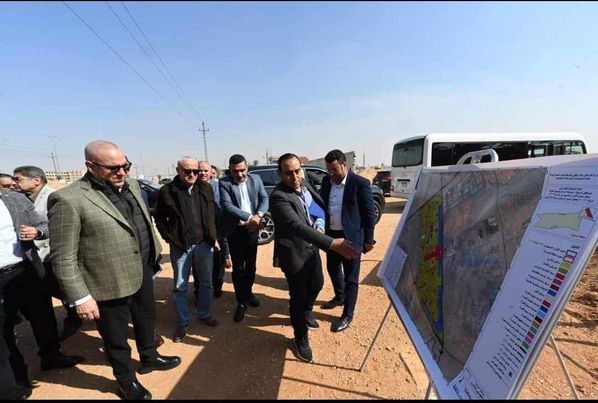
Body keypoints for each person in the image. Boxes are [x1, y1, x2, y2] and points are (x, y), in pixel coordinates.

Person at [48, 140, 181, 400]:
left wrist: (154, 254)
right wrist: (80, 297)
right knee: (116, 337)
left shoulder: (132, 185)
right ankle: (125, 381)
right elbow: (62, 257)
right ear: (90, 166)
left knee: (146, 319)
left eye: (126, 166)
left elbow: (141, 221)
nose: (122, 172)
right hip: (106, 282)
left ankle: (149, 357)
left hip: (142, 270)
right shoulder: (68, 199)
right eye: (113, 168)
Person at [269, 153, 358, 363]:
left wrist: (320, 223)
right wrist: (332, 243)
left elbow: (317, 208)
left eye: (297, 171)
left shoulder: (304, 184)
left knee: (317, 283)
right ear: (280, 174)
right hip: (295, 253)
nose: (294, 177)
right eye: (288, 173)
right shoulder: (278, 196)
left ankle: (307, 312)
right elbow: (297, 226)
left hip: (312, 249)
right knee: (298, 297)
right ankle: (300, 338)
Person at [154, 157, 220, 345]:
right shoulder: (167, 191)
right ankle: (183, 322)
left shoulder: (205, 188)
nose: (192, 174)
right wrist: (169, 237)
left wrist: (213, 237)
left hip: (203, 245)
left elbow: (211, 215)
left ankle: (204, 314)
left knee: (206, 283)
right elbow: (159, 218)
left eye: (195, 171)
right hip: (180, 246)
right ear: (178, 171)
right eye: (187, 171)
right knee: (180, 286)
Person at [13, 165, 82, 341]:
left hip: (53, 253)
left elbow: (62, 226)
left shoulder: (54, 197)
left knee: (63, 289)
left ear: (36, 180)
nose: (14, 183)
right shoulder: (25, 199)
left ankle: (74, 318)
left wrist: (38, 232)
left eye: (18, 179)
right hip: (39, 256)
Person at [320, 149, 376, 332]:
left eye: (334, 170)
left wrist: (369, 240)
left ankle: (347, 314)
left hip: (351, 238)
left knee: (351, 277)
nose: (331, 174)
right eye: (329, 170)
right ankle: (340, 296)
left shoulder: (360, 183)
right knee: (332, 268)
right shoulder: (326, 182)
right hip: (332, 237)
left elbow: (369, 214)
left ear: (344, 165)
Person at [219, 154, 268, 323]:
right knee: (239, 268)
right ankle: (241, 302)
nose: (239, 174)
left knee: (251, 266)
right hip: (236, 231)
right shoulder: (224, 182)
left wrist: (258, 215)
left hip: (252, 230)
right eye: (235, 171)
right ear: (230, 170)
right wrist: (250, 217)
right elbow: (227, 206)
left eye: (242, 170)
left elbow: (264, 198)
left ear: (247, 167)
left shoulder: (256, 179)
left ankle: (248, 293)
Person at [198, 161, 231, 298]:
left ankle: (217, 286)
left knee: (218, 261)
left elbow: (223, 207)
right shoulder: (193, 187)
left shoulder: (218, 186)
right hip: (199, 233)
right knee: (201, 264)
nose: (205, 174)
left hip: (217, 229)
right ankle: (200, 291)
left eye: (208, 171)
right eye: (201, 171)